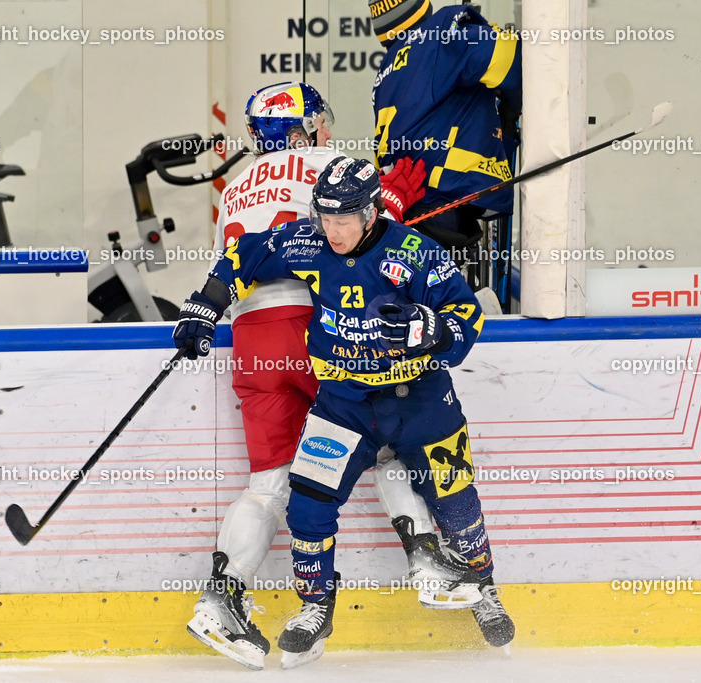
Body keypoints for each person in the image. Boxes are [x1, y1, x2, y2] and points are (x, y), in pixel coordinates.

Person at [175, 155, 514, 668]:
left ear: (373, 211)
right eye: (325, 218)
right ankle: (315, 609)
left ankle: (484, 590)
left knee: (453, 494)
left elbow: (466, 315)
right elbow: (242, 254)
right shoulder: (309, 242)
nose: (333, 231)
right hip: (342, 403)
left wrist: (428, 329)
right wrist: (205, 306)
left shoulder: (415, 252)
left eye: (344, 220)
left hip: (418, 399)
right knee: (308, 504)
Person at [368, 0, 522, 251]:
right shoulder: (438, 37)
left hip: (408, 200)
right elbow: (518, 62)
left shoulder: (387, 69)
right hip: (447, 192)